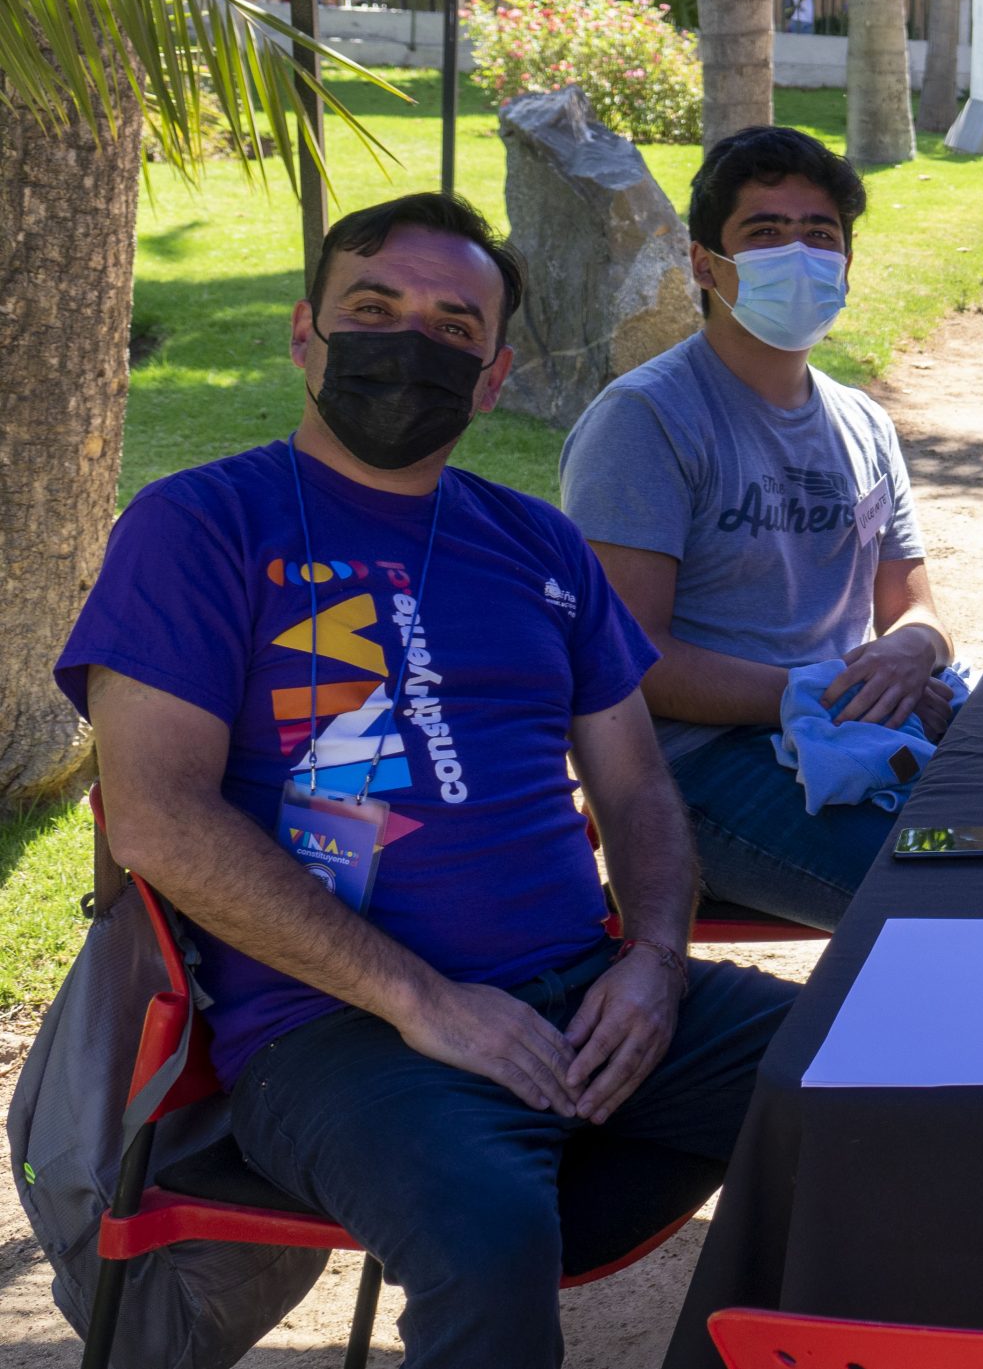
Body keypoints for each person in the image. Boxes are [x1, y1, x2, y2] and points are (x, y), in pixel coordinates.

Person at [57, 193, 798, 1369]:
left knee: (873, 1090)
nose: (411, 342)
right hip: (338, 1029)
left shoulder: (538, 543)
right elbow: (156, 817)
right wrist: (424, 1001)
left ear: (493, 377)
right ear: (305, 334)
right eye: (374, 308)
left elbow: (639, 789)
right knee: (489, 1234)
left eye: (454, 327)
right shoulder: (199, 526)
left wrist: (655, 962)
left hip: (592, 997)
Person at [561, 125, 954, 930]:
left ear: (847, 264)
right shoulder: (647, 421)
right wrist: (829, 692)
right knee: (945, 906)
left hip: (848, 732)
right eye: (765, 232)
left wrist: (916, 649)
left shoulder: (863, 423)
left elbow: (913, 604)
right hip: (700, 772)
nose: (799, 252)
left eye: (821, 233)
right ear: (705, 265)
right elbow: (627, 662)